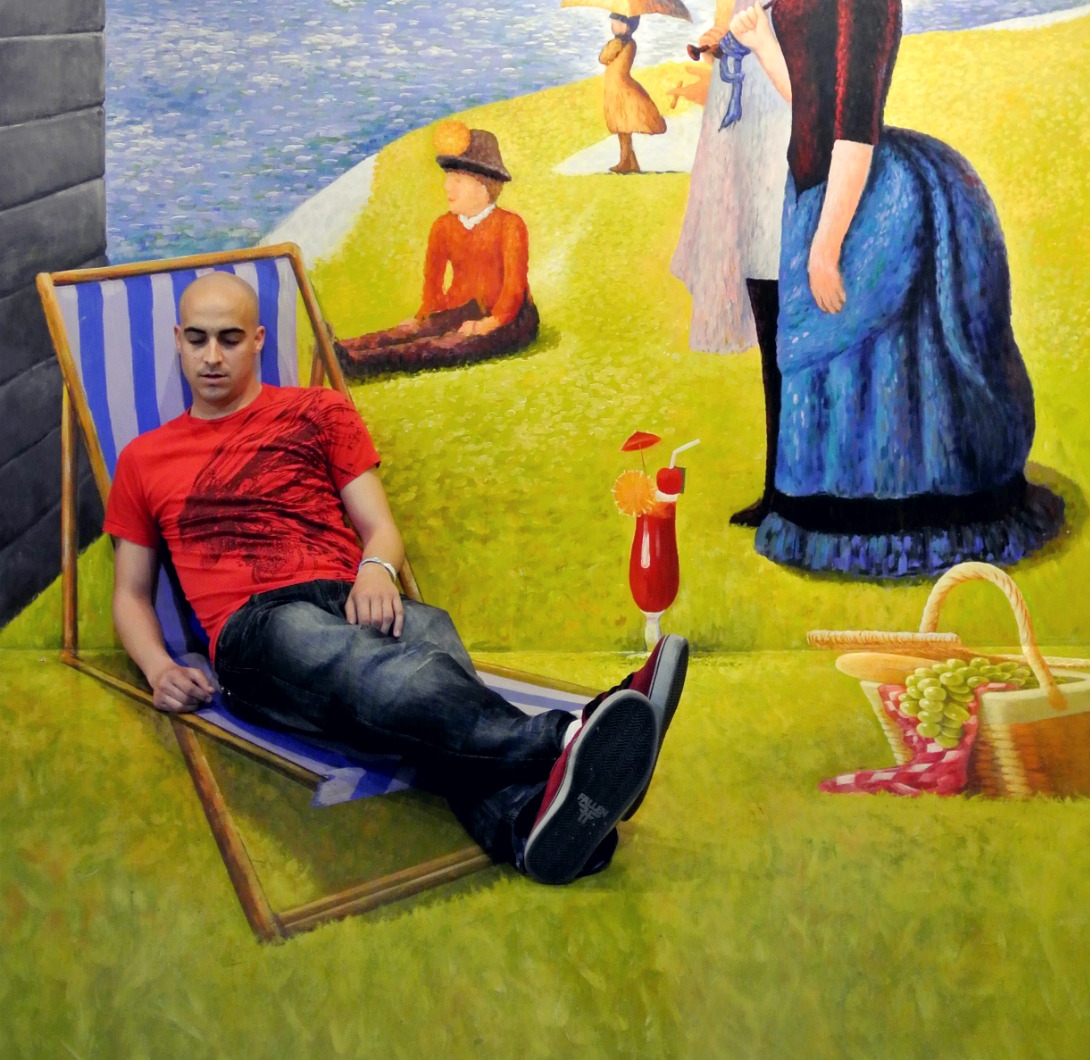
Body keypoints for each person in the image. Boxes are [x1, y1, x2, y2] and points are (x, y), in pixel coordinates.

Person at [104, 271, 688, 885]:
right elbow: (131, 594)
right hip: (258, 628)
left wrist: (376, 569)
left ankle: (526, 825)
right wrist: (159, 669)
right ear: (178, 340)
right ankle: (571, 734)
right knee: (374, 667)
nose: (212, 357)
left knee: (429, 661)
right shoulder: (144, 459)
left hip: (356, 596)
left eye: (228, 338)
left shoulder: (318, 411)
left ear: (257, 339)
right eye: (197, 339)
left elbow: (378, 527)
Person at [728, 0, 1064, 577]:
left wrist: (826, 244)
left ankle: (885, 518)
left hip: (862, 197)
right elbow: (810, 104)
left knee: (871, 355)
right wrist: (761, 42)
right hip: (817, 185)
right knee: (826, 357)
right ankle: (827, 501)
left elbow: (853, 125)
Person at [670, 0, 842, 527]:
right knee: (774, 337)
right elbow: (763, 26)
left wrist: (759, 40)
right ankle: (780, 486)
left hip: (789, 168)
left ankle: (796, 490)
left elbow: (814, 72)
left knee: (793, 339)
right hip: (755, 158)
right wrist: (728, 41)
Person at [334, 122, 539, 377]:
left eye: (458, 180)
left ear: (484, 185)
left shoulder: (510, 225)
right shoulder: (443, 226)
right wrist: (423, 318)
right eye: (447, 178)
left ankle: (359, 363)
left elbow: (513, 288)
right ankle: (342, 348)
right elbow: (433, 283)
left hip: (510, 318)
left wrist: (489, 324)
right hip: (465, 308)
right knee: (415, 331)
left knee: (443, 346)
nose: (447, 187)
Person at [599, 13, 666, 174]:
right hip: (615, 87)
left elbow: (604, 58)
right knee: (622, 127)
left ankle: (626, 161)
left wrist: (613, 45)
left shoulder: (621, 43)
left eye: (616, 22)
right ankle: (629, 161)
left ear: (626, 26)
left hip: (621, 87)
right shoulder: (622, 42)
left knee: (623, 123)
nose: (613, 25)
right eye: (613, 22)